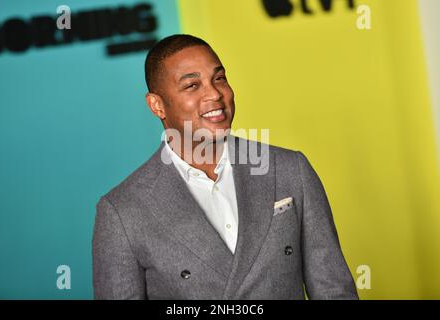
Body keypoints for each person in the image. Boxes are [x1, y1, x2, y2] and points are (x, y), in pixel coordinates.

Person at [92, 34, 358, 300]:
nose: (214, 94)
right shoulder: (122, 212)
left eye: (219, 78)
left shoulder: (290, 169)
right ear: (157, 105)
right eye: (192, 85)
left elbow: (333, 290)